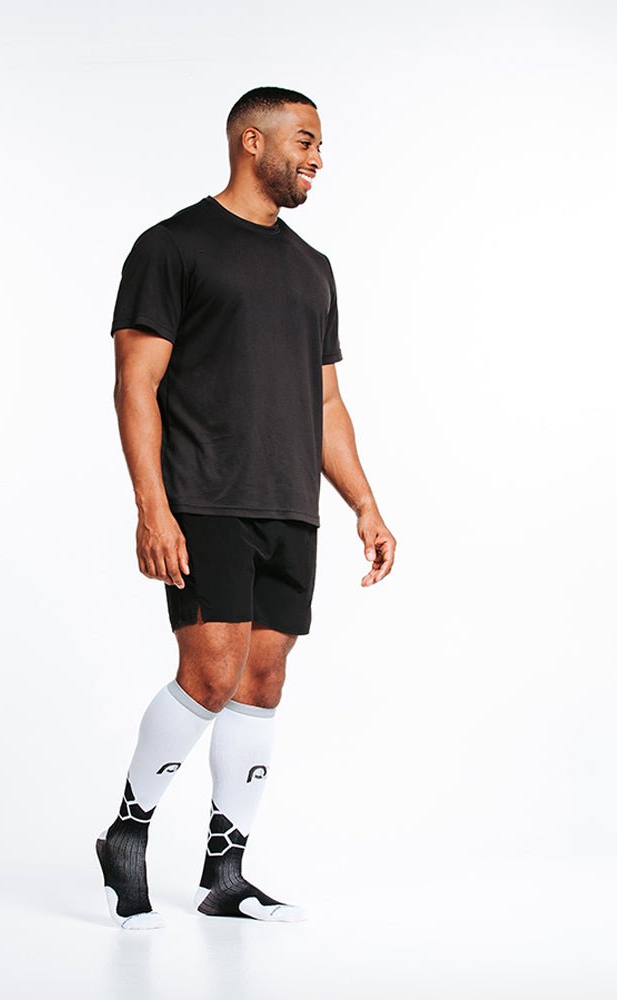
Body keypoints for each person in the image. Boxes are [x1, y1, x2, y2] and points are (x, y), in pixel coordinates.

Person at [98, 86, 396, 929]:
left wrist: (365, 505)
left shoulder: (312, 267)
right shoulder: (173, 246)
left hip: (289, 503)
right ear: (250, 141)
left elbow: (326, 402)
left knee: (262, 681)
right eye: (304, 140)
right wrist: (152, 508)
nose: (317, 158)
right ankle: (127, 834)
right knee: (211, 673)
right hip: (204, 497)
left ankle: (225, 874)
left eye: (320, 143)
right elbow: (135, 383)